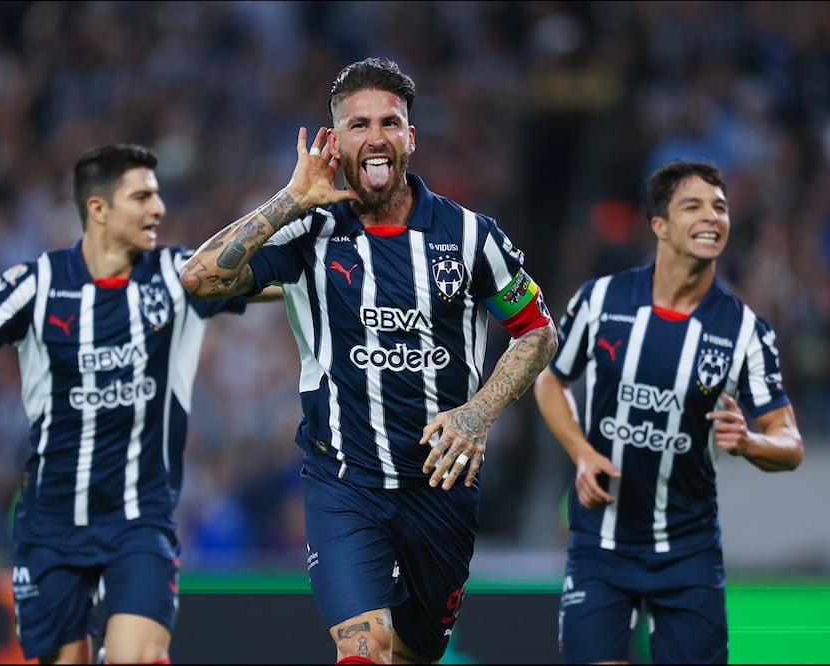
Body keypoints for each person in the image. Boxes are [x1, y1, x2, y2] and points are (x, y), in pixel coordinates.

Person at [179, 57, 559, 664]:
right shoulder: (310, 232)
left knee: (413, 653)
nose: (375, 136)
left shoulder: (471, 237)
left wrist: (478, 412)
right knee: (364, 646)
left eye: (390, 122)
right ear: (334, 141)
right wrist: (290, 198)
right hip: (344, 483)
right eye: (358, 124)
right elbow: (198, 279)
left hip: (441, 489)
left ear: (411, 137)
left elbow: (537, 332)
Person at [0, 143, 279, 664]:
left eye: (158, 196)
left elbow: (276, 278)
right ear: (99, 209)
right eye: (142, 196)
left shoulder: (178, 278)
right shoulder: (36, 285)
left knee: (139, 657)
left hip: (139, 519)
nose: (159, 209)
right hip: (51, 525)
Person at [533, 159, 804, 664]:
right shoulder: (600, 301)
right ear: (659, 225)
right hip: (602, 542)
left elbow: (790, 444)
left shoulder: (746, 331)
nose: (712, 217)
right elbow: (551, 381)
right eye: (694, 205)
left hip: (689, 550)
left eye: (720, 207)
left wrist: (750, 442)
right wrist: (582, 452)